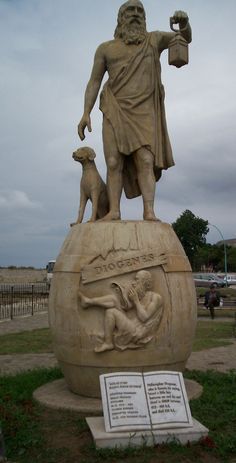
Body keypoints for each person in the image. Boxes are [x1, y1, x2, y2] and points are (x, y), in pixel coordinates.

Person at [78, 0, 192, 221]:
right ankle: (114, 211)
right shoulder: (106, 48)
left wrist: (184, 24)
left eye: (140, 11)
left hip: (145, 111)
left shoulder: (154, 39)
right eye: (130, 10)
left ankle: (148, 211)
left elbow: (184, 39)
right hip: (114, 109)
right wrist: (86, 112)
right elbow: (94, 81)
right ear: (121, 17)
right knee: (113, 162)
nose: (135, 14)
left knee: (146, 161)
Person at [78, 270, 163, 352]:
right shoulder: (140, 296)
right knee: (113, 299)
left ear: (145, 282)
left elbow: (144, 318)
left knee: (111, 312)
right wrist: (121, 294)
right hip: (132, 324)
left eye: (137, 279)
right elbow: (126, 308)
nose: (133, 283)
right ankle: (88, 302)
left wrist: (136, 301)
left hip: (138, 331)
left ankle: (108, 343)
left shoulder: (155, 297)